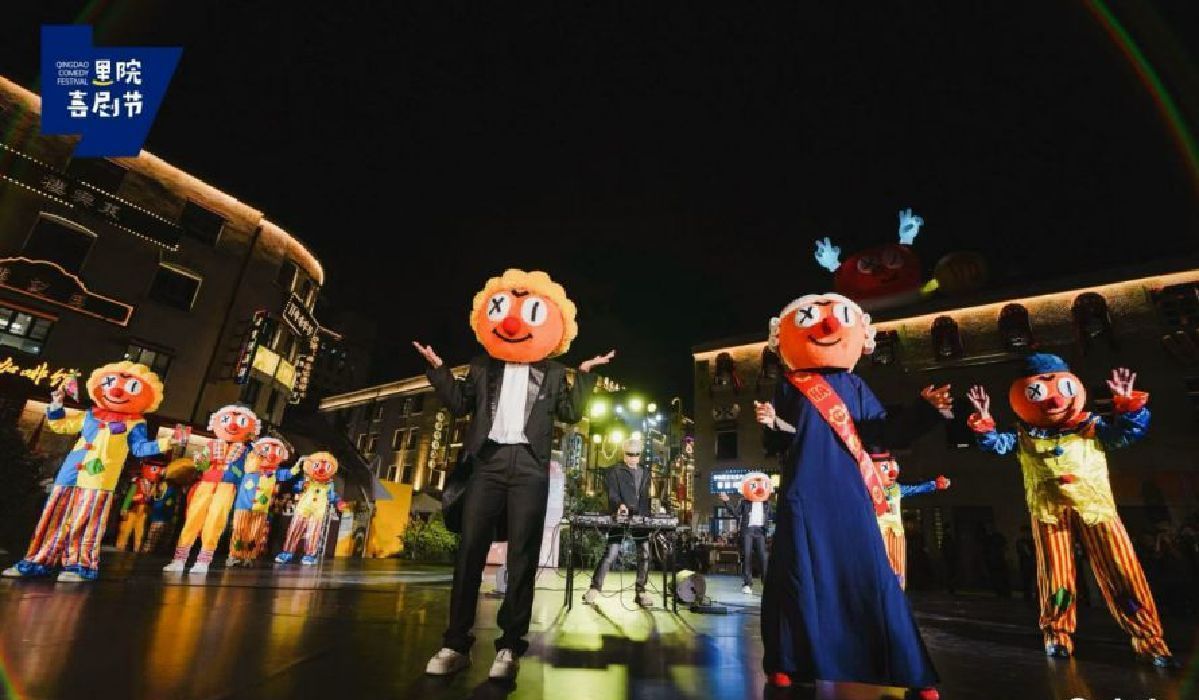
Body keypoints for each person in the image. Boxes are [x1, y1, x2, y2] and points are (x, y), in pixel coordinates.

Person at [415, 268, 613, 682]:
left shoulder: (555, 372)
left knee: (523, 555)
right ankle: (455, 643)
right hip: (487, 462)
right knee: (470, 552)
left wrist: (585, 375)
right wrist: (438, 370)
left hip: (529, 466)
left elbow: (570, 413)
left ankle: (509, 646)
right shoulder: (482, 365)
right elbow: (459, 404)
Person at [757, 292, 952, 699]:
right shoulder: (789, 385)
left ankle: (910, 670)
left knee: (872, 573)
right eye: (811, 319)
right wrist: (772, 423)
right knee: (797, 574)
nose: (827, 326)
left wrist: (924, 411)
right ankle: (790, 662)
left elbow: (881, 433)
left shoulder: (856, 384)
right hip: (803, 492)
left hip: (850, 490)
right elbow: (779, 442)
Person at [967, 353, 1174, 667]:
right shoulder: (1024, 435)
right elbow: (995, 445)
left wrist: (1128, 406)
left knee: (1121, 570)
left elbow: (1126, 434)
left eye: (1062, 388)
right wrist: (984, 421)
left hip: (1096, 508)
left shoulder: (1089, 426)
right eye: (1037, 391)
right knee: (1055, 575)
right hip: (1048, 512)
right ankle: (1057, 634)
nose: (1054, 400)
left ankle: (1149, 638)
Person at [2, 362, 177, 582]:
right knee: (53, 517)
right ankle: (38, 561)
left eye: (130, 387)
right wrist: (56, 405)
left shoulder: (135, 423)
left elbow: (140, 448)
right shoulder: (90, 414)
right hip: (70, 472)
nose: (116, 391)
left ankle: (80, 566)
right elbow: (61, 426)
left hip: (99, 477)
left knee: (86, 521)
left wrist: (167, 442)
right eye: (110, 383)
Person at [163, 405, 260, 574]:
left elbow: (251, 469)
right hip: (206, 483)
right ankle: (179, 559)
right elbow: (201, 465)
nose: (233, 425)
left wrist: (252, 447)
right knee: (193, 519)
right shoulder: (212, 445)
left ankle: (203, 561)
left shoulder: (247, 450)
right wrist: (199, 461)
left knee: (215, 521)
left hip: (227, 486)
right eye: (227, 420)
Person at [583, 437, 654, 607]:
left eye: (636, 455)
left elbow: (645, 496)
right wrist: (620, 506)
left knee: (644, 554)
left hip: (640, 518)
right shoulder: (614, 471)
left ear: (640, 455)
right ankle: (594, 588)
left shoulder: (645, 472)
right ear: (624, 454)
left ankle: (641, 591)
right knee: (611, 552)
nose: (633, 458)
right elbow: (613, 494)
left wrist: (648, 514)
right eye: (630, 454)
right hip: (620, 517)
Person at [872, 452, 950, 590]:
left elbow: (915, 489)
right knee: (880, 561)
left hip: (896, 532)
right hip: (878, 532)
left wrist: (934, 485)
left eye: (894, 468)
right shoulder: (870, 490)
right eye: (885, 468)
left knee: (897, 561)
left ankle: (897, 586)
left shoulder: (897, 489)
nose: (892, 473)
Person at [719, 472, 773, 595]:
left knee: (763, 557)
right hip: (747, 531)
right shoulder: (744, 502)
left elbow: (771, 516)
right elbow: (736, 513)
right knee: (747, 556)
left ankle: (766, 583)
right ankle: (747, 584)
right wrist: (727, 502)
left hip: (760, 531)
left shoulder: (767, 503)